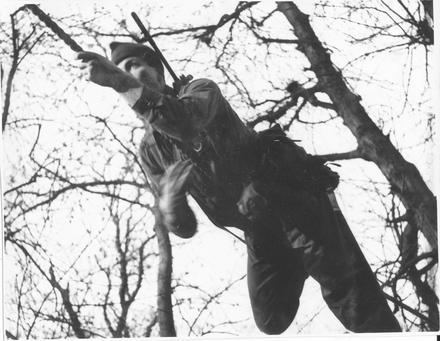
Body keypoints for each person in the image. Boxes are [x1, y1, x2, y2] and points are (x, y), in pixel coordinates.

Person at [77, 42, 402, 334]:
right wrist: (171, 207)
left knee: (354, 302)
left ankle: (320, 260)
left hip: (294, 202)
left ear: (158, 72)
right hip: (258, 230)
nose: (132, 73)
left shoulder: (199, 90)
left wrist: (121, 82)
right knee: (271, 318)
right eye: (122, 71)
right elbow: (185, 228)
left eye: (136, 65)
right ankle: (298, 259)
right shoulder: (150, 151)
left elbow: (185, 122)